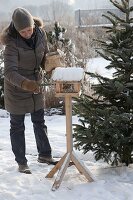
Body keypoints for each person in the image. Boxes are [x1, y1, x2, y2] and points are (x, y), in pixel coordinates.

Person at [0, 7, 56, 174]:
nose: (27, 33)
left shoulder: (40, 34)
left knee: (39, 121)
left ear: (34, 25)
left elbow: (44, 57)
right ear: (17, 30)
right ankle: (21, 162)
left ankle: (45, 155)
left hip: (35, 85)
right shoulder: (11, 43)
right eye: (23, 31)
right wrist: (25, 84)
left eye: (29, 29)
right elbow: (9, 72)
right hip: (17, 87)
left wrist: (51, 66)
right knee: (17, 126)